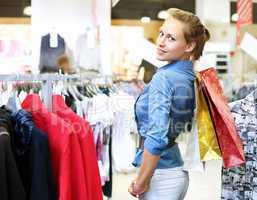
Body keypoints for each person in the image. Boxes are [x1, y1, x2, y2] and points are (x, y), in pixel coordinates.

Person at [128, 8, 210, 200]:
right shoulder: (190, 75)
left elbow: (157, 136)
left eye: (171, 38)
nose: (161, 42)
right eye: (161, 33)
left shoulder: (164, 78)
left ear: (189, 45)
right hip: (174, 169)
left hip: (160, 175)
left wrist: (142, 181)